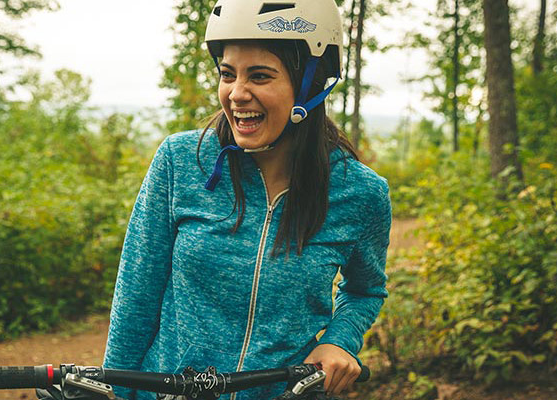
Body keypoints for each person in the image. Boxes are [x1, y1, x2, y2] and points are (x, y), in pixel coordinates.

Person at [102, 0, 391, 399]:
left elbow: (365, 289)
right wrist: (110, 390)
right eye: (227, 74)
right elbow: (137, 293)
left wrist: (340, 339)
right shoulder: (180, 161)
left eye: (259, 76)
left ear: (310, 83)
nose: (237, 94)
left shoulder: (359, 193)